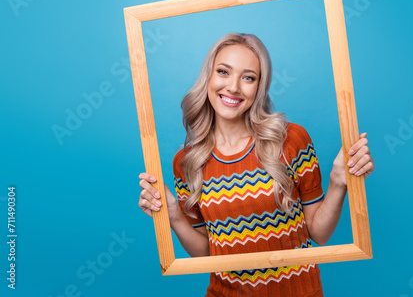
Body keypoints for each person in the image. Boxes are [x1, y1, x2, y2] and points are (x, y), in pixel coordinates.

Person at [138, 33, 374, 296]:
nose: (234, 87)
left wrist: (338, 181)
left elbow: (319, 234)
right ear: (208, 77)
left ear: (259, 87)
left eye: (248, 77)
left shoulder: (290, 140)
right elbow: (205, 253)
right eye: (223, 72)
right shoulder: (186, 162)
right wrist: (173, 217)